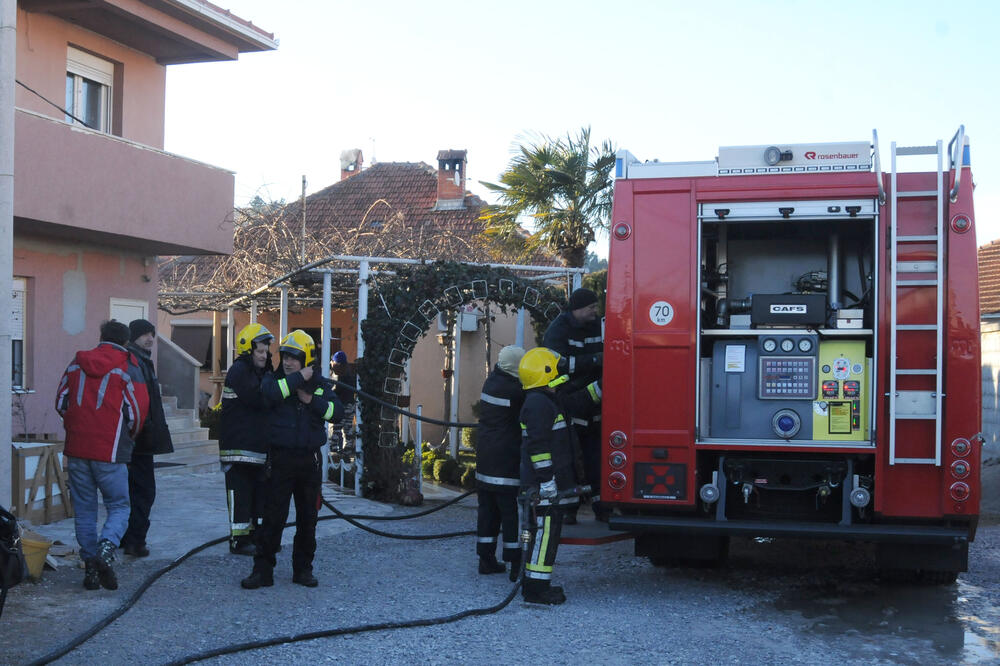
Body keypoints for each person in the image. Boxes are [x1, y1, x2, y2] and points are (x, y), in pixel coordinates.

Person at [242, 330, 343, 589]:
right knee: (272, 519)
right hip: (280, 460)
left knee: (308, 520)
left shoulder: (319, 386)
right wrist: (299, 378)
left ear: (306, 359)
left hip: (309, 462)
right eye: (285, 356)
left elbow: (336, 412)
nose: (287, 362)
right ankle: (262, 572)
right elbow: (270, 394)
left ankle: (303, 570)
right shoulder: (273, 380)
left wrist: (311, 400)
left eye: (294, 358)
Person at [55, 320, 148, 590]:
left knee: (85, 510)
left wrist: (75, 426)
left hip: (77, 449)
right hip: (110, 450)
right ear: (126, 341)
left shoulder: (76, 363)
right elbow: (137, 412)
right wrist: (128, 437)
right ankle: (106, 551)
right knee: (119, 506)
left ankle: (90, 569)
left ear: (101, 336)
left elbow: (60, 402)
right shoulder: (128, 367)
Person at [518, 346, 601, 605]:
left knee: (545, 536)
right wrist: (547, 482)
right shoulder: (539, 404)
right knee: (544, 537)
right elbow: (538, 448)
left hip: (544, 487)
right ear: (546, 374)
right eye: (555, 368)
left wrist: (605, 383)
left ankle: (534, 584)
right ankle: (536, 590)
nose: (560, 372)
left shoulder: (547, 400)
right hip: (542, 488)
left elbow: (580, 400)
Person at [542, 287, 605, 523]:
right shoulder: (558, 330)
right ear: (577, 309)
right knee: (569, 458)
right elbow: (556, 365)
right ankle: (569, 508)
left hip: (595, 402)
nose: (595, 311)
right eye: (591, 307)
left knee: (595, 456)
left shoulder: (598, 325)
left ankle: (602, 506)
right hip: (568, 401)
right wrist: (596, 360)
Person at [120, 319, 174, 557]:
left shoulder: (141, 360)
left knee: (132, 491)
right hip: (139, 438)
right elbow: (138, 404)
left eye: (152, 334)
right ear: (133, 337)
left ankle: (126, 537)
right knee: (143, 492)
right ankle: (135, 541)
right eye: (144, 334)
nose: (150, 338)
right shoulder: (134, 362)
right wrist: (144, 431)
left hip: (139, 437)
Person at [220, 323, 274, 555]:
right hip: (239, 448)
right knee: (240, 494)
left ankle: (254, 536)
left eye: (266, 351)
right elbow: (259, 398)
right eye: (259, 351)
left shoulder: (258, 372)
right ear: (247, 350)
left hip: (254, 448)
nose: (264, 355)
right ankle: (239, 541)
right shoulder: (239, 371)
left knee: (257, 495)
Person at [475, 345, 525, 580]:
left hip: (485, 457)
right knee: (510, 514)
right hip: (505, 459)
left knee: (487, 511)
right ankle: (515, 564)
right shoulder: (515, 391)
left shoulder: (492, 381)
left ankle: (486, 559)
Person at [329, 350, 356, 453]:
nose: (331, 363)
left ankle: (333, 448)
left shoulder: (338, 375)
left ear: (337, 363)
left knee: (335, 427)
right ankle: (348, 448)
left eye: (332, 361)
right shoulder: (349, 374)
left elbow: (336, 390)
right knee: (347, 427)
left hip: (340, 406)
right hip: (350, 404)